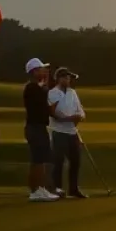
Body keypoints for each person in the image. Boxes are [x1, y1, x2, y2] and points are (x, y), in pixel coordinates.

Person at [49, 67, 88, 199]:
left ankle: (73, 189)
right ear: (59, 78)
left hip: (72, 132)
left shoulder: (72, 93)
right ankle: (57, 189)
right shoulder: (53, 93)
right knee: (58, 162)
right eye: (66, 77)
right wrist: (69, 118)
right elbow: (55, 113)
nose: (68, 80)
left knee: (76, 161)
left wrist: (80, 117)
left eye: (69, 78)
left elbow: (80, 110)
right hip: (59, 132)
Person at [23, 57, 59, 202]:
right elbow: (45, 93)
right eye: (42, 69)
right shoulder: (32, 87)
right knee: (38, 160)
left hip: (38, 127)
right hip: (35, 127)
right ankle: (36, 190)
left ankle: (40, 188)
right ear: (34, 71)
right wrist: (46, 81)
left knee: (40, 160)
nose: (45, 71)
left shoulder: (37, 87)